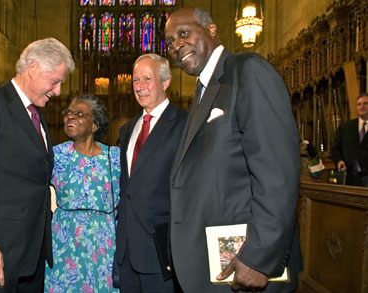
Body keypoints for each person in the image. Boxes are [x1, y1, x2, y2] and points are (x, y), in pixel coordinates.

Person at [164, 8, 302, 292]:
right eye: (169, 42)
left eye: (183, 33)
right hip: (213, 263)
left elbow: (277, 171)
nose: (176, 46)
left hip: (246, 262)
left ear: (212, 30)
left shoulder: (247, 70)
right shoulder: (205, 89)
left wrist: (260, 256)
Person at [0, 37, 74, 292]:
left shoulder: (36, 116)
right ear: (33, 69)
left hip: (31, 254)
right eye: (55, 81)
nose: (58, 91)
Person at [115, 53, 187, 292]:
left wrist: (176, 246)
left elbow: (189, 190)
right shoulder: (128, 129)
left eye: (147, 79)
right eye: (136, 80)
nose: (139, 86)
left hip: (161, 251)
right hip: (127, 252)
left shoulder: (184, 124)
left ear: (165, 82)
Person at [44, 95, 120, 292]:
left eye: (79, 114)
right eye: (68, 113)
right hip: (64, 243)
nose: (70, 117)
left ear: (95, 125)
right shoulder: (55, 156)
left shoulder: (115, 158)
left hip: (105, 244)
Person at [331, 93, 368, 186]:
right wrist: (339, 161)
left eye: (365, 103)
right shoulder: (346, 127)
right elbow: (336, 149)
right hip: (350, 177)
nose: (362, 107)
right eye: (359, 104)